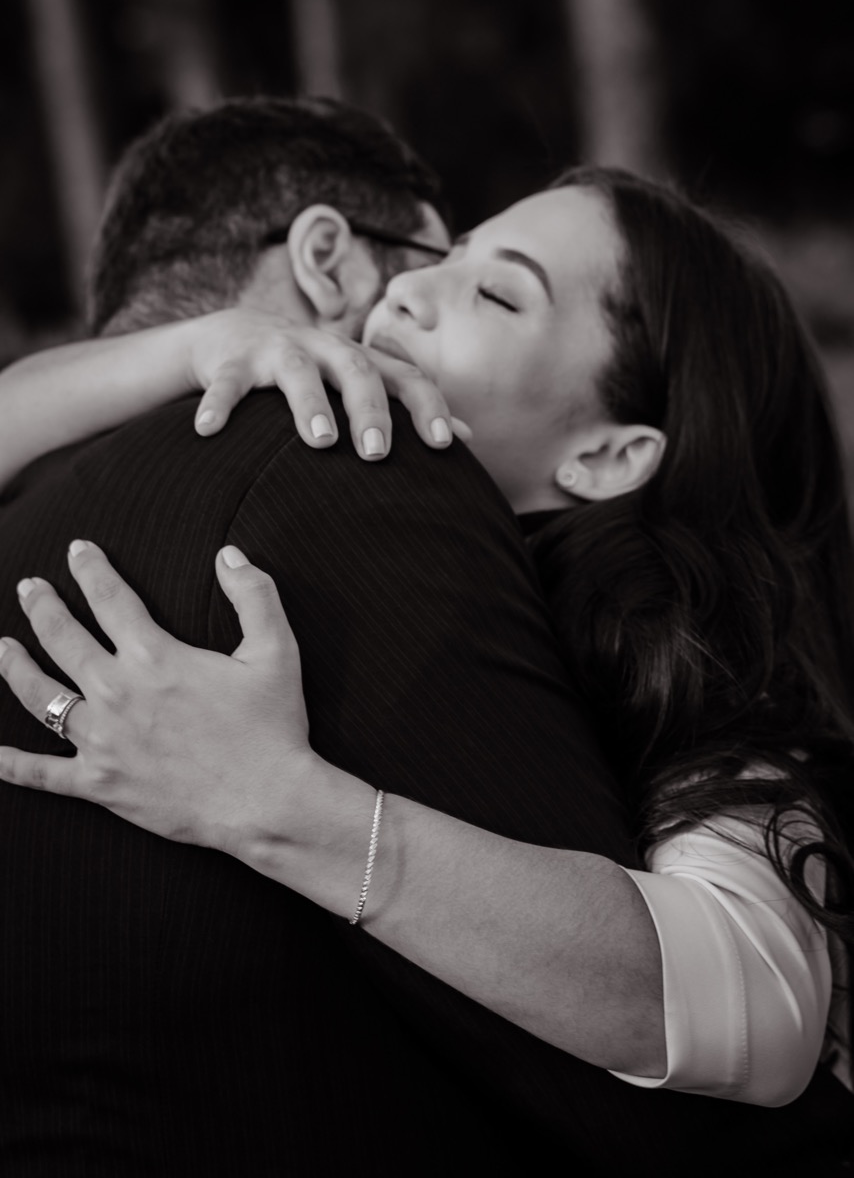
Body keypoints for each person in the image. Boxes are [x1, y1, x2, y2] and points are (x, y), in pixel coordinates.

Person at [0, 156, 852, 1173]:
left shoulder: (708, 702)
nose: (407, 289)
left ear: (606, 457)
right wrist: (201, 342)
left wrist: (275, 801)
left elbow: (755, 1007)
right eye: (447, 255)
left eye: (497, 292)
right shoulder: (361, 526)